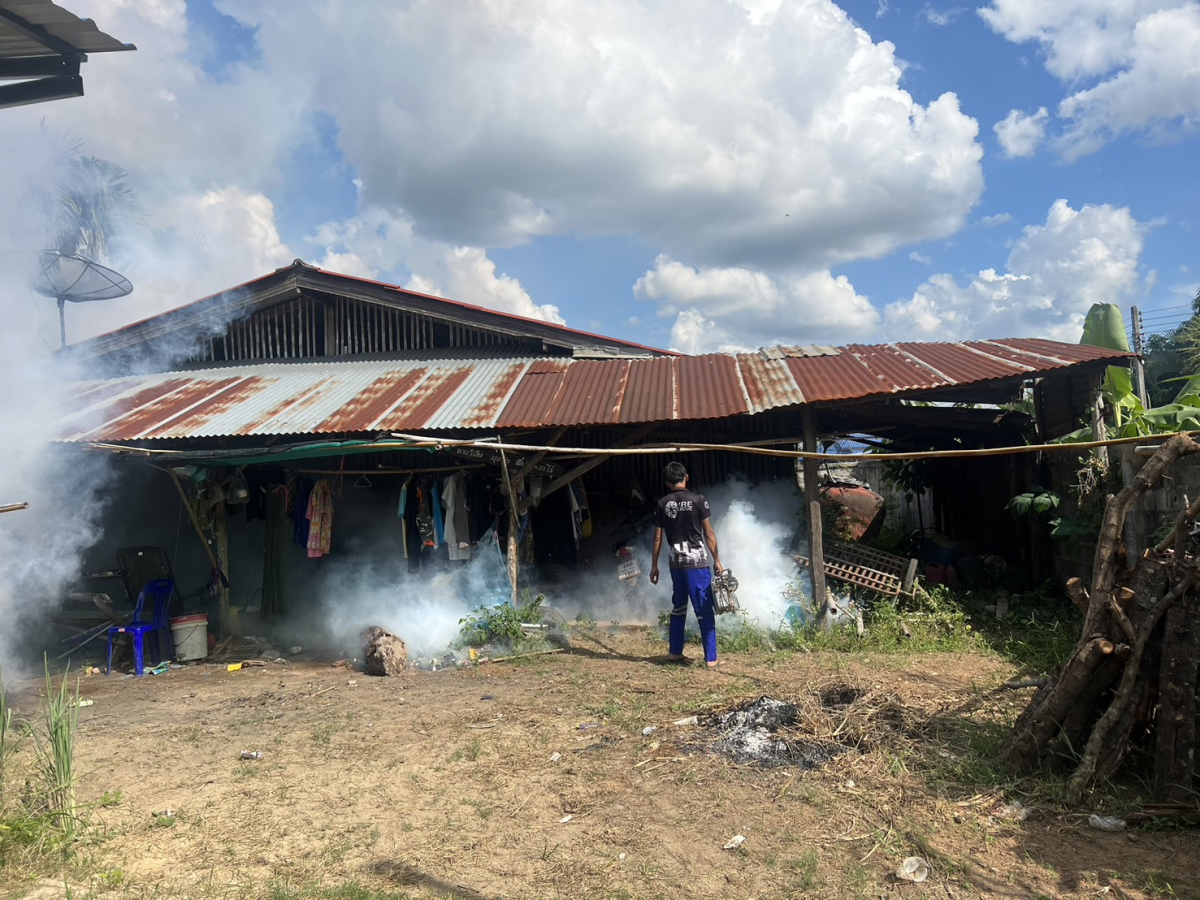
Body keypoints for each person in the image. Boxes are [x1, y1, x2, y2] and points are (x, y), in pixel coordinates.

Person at [649, 461, 724, 667]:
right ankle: (711, 658)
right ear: (686, 477)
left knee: (678, 607)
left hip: (676, 564)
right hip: (697, 564)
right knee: (703, 609)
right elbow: (708, 533)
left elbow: (657, 539)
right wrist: (717, 560)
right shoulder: (698, 500)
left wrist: (654, 566)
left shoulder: (662, 503)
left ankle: (675, 652)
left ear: (667, 483)